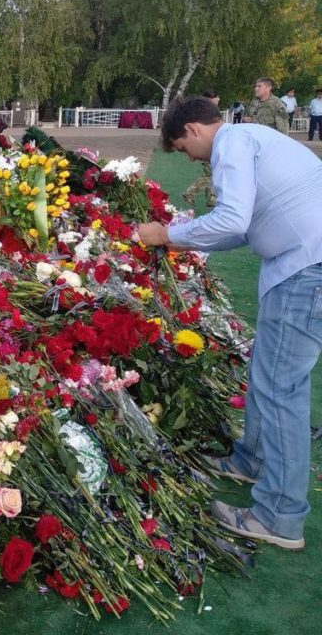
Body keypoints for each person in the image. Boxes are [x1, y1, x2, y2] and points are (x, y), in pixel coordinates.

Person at [137, 96, 322, 551]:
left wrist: (167, 234)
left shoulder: (232, 142)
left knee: (281, 391)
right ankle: (252, 460)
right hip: (301, 264)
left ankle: (279, 516)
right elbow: (242, 229)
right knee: (269, 375)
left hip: (306, 268)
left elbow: (233, 218)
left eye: (183, 147)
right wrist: (180, 243)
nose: (191, 157)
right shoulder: (253, 137)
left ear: (195, 130)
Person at [183, 90, 219, 207]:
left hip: (211, 148)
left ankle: (211, 198)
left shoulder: (206, 111)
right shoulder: (208, 112)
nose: (218, 100)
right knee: (209, 175)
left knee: (212, 175)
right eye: (217, 97)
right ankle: (190, 193)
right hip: (208, 149)